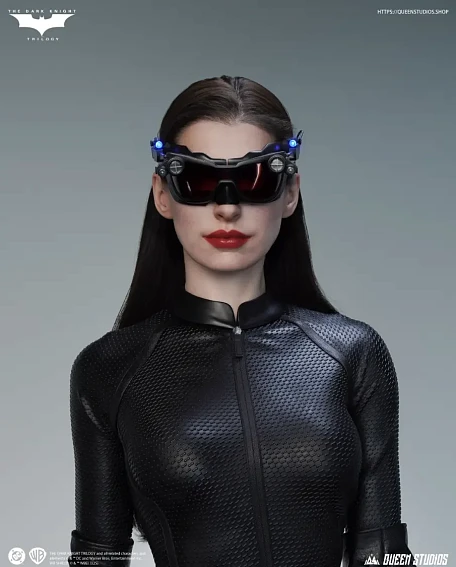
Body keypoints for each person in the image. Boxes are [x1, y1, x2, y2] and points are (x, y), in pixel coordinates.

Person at [67, 75, 414, 567]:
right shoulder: (109, 368)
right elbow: (97, 560)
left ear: (290, 193)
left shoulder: (354, 353)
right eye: (198, 181)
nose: (227, 207)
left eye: (255, 180)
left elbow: (385, 555)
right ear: (163, 194)